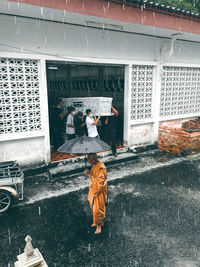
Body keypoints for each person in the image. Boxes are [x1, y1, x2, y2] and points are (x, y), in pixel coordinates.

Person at [84, 153, 108, 234]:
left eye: (89, 160)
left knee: (98, 209)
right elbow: (94, 175)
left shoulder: (101, 168)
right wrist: (89, 173)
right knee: (94, 207)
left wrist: (90, 175)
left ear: (93, 160)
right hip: (94, 190)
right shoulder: (95, 165)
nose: (89, 162)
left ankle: (99, 226)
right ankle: (96, 222)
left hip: (99, 191)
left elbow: (100, 183)